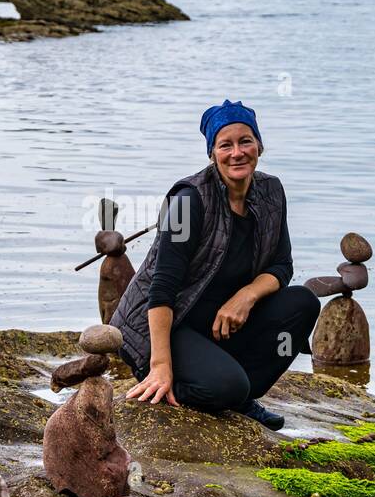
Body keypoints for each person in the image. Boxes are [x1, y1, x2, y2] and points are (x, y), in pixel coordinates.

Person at [110, 100, 319, 430]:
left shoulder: (271, 191)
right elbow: (161, 289)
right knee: (225, 386)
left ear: (259, 146)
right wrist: (161, 364)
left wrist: (246, 296)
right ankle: (200, 387)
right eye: (226, 145)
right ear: (212, 153)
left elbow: (282, 265)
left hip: (217, 325)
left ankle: (240, 396)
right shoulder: (188, 200)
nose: (237, 153)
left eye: (245, 141)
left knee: (303, 303)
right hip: (165, 329)